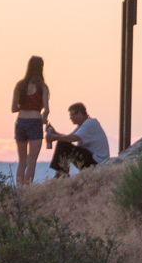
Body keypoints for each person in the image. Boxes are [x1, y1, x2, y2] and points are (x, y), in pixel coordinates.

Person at [11, 55, 50, 185]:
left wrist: (24, 105)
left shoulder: (20, 85)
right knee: (32, 161)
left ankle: (19, 189)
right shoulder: (42, 87)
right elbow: (46, 110)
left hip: (21, 121)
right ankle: (27, 189)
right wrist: (44, 119)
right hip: (35, 121)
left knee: (22, 160)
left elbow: (13, 108)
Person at [47, 102, 111, 177]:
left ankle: (62, 173)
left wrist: (55, 137)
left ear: (79, 113)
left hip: (96, 162)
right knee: (63, 143)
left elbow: (72, 138)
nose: (70, 118)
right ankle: (61, 173)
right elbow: (69, 137)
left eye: (72, 115)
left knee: (63, 144)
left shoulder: (89, 123)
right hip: (93, 160)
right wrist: (55, 133)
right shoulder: (84, 124)